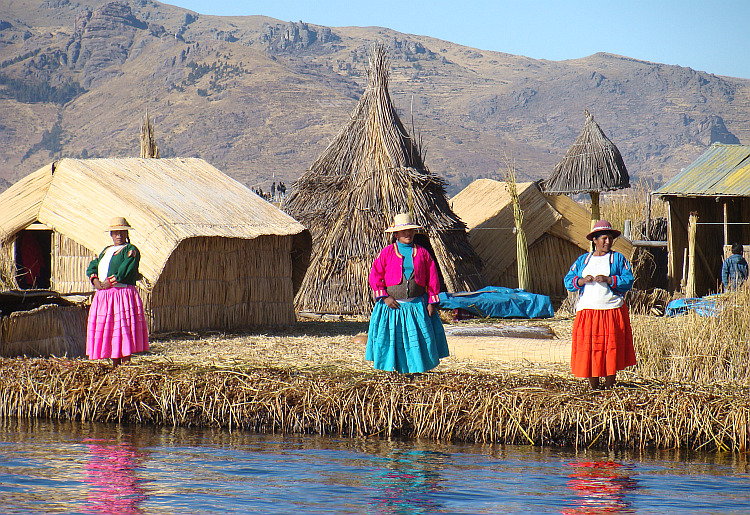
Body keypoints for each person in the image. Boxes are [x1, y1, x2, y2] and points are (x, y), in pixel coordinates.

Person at [365, 213, 449, 373]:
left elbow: (432, 278)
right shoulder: (387, 253)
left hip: (416, 307)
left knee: (417, 340)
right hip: (392, 308)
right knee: (394, 340)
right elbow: (375, 275)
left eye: (410, 230)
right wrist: (385, 297)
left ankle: (417, 370)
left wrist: (432, 302)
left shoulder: (423, 254)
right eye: (403, 231)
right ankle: (394, 370)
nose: (408, 234)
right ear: (395, 234)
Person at [564, 220, 635, 389]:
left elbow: (628, 280)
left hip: (611, 310)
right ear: (594, 240)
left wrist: (609, 279)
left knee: (610, 348)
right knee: (590, 349)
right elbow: (568, 280)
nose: (608, 242)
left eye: (610, 238)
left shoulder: (617, 259)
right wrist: (581, 281)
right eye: (604, 238)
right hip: (588, 312)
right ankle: (593, 387)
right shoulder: (583, 260)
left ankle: (610, 386)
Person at [86, 217, 149, 367]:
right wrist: (96, 281)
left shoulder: (130, 250)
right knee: (111, 328)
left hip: (121, 295)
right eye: (115, 233)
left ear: (126, 234)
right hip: (105, 296)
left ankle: (126, 365)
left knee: (123, 328)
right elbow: (93, 266)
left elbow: (126, 269)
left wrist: (109, 282)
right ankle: (115, 364)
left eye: (122, 232)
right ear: (111, 234)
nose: (119, 236)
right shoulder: (106, 251)